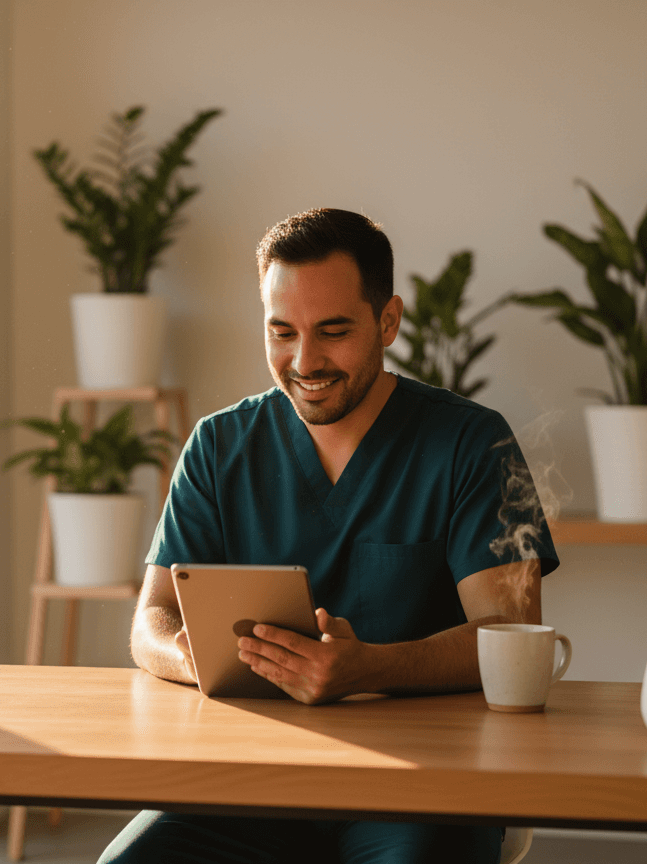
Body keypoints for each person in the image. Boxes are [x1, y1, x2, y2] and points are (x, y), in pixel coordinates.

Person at [100, 208, 559, 864]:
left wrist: (370, 667)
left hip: (424, 787)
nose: (305, 360)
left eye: (334, 331)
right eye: (281, 332)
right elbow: (152, 620)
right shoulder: (218, 446)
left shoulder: (472, 442)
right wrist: (198, 656)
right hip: (249, 782)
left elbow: (513, 634)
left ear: (389, 321)